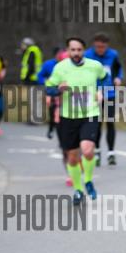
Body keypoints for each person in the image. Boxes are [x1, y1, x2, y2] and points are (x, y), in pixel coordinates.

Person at [45, 37, 106, 205]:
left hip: (90, 114)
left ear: (84, 50)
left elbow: (105, 78)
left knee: (87, 150)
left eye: (79, 50)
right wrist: (58, 90)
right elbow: (49, 88)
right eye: (73, 50)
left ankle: (88, 180)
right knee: (72, 158)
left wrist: (101, 91)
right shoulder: (60, 68)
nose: (76, 53)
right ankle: (78, 190)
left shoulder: (95, 66)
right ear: (68, 51)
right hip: (68, 117)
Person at [85, 32, 124, 166]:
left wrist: (118, 78)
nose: (100, 50)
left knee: (110, 122)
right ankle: (96, 152)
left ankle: (111, 153)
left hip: (109, 93)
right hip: (93, 94)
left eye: (102, 47)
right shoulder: (87, 55)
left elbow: (118, 68)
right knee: (96, 123)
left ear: (107, 46)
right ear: (94, 45)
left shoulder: (113, 54)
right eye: (97, 47)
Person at [40, 48, 72, 186]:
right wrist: (54, 92)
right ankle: (70, 174)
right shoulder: (56, 75)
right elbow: (49, 88)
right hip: (60, 115)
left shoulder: (82, 74)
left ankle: (78, 163)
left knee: (78, 146)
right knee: (65, 148)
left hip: (79, 115)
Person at [19, 37, 42, 124]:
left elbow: (31, 66)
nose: (22, 46)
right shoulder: (33, 50)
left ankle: (35, 119)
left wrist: (26, 77)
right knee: (34, 99)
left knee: (34, 100)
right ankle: (35, 118)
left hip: (33, 79)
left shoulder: (31, 51)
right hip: (34, 78)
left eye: (23, 44)